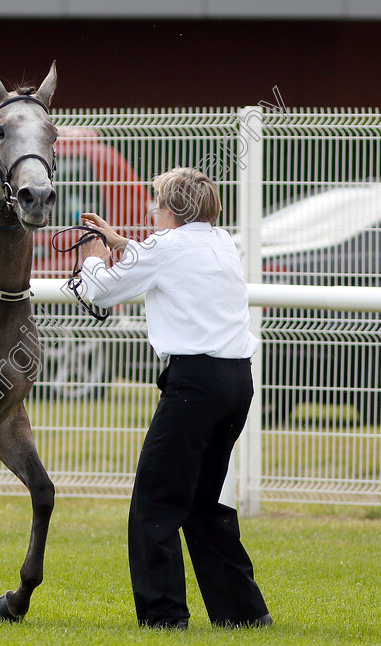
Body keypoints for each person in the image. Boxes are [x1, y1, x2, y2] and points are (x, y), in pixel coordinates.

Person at [77, 167, 271, 630]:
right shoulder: (222, 242)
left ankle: (164, 618)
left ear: (172, 210)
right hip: (236, 383)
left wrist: (91, 257)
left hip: (193, 385)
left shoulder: (163, 249)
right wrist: (124, 244)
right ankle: (244, 614)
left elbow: (101, 291)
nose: (152, 209)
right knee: (204, 502)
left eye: (157, 202)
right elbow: (168, 255)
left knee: (154, 502)